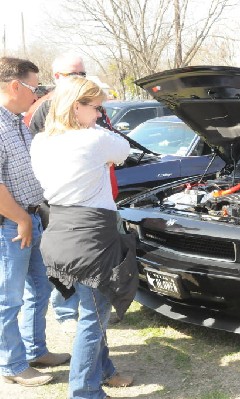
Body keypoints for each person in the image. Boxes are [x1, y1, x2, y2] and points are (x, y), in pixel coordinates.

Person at [30, 76, 137, 398]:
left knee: (92, 309)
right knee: (93, 318)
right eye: (97, 108)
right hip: (90, 238)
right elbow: (125, 150)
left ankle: (105, 372)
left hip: (58, 233)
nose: (101, 115)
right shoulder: (94, 139)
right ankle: (83, 391)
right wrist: (98, 129)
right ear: (77, 106)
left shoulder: (41, 140)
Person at [25, 53, 121, 333]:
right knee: (70, 265)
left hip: (101, 198)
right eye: (71, 74)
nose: (78, 77)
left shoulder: (93, 106)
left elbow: (110, 146)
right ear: (56, 78)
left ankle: (93, 314)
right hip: (68, 204)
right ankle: (68, 313)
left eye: (82, 72)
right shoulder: (47, 109)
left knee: (95, 267)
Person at [0, 56, 71, 387]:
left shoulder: (16, 120)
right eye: (35, 86)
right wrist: (21, 220)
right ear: (15, 85)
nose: (38, 93)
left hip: (31, 217)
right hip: (11, 227)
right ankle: (12, 364)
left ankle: (34, 350)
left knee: (39, 287)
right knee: (8, 298)